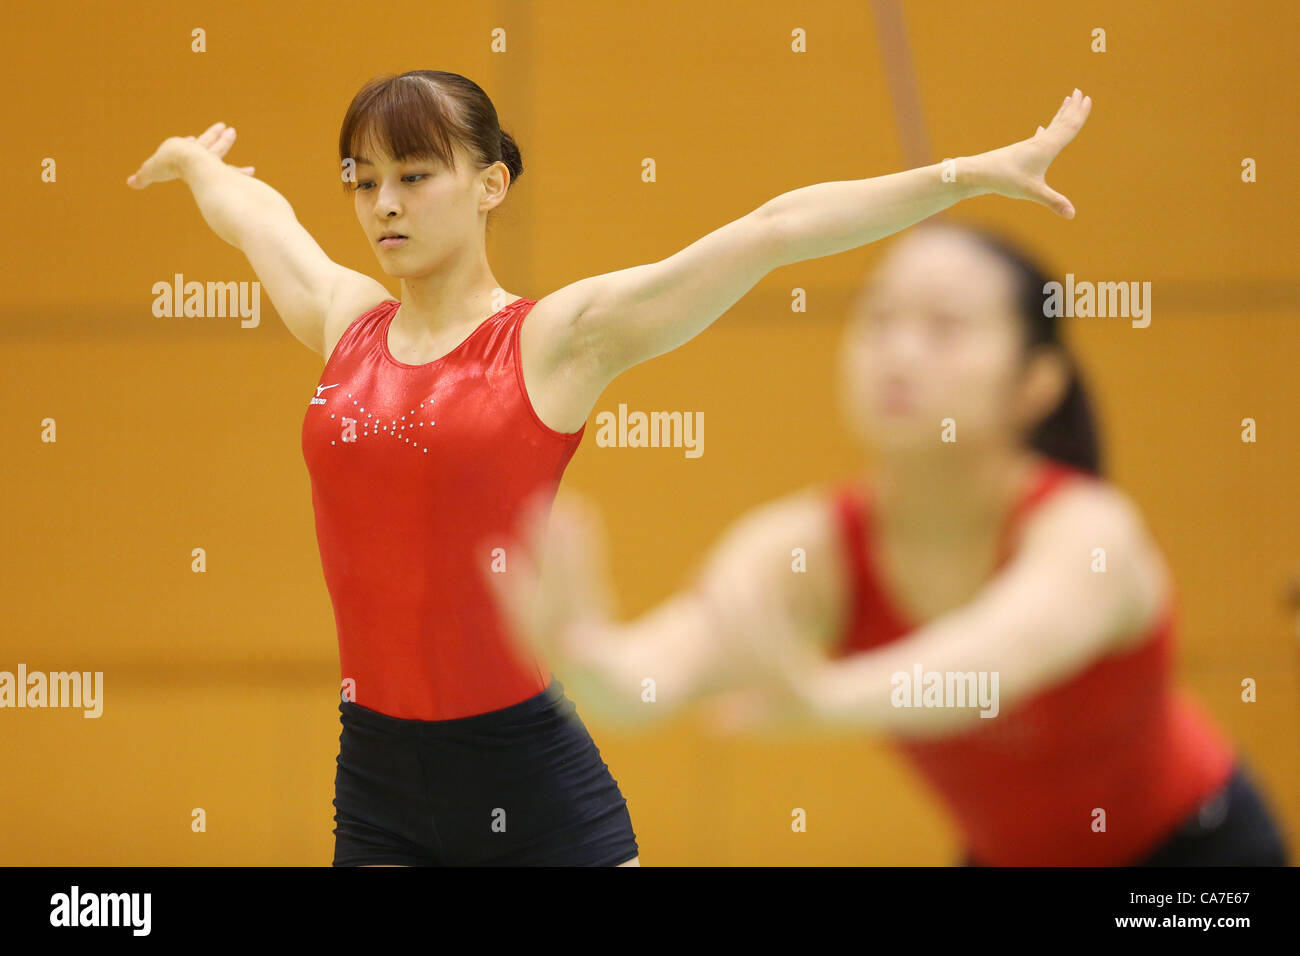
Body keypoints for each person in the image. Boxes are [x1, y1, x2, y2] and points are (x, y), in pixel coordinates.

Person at [126, 70, 1094, 866]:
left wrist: (968, 174)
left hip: (526, 773)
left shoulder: (557, 341)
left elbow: (771, 230)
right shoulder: (344, 325)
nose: (382, 202)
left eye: (414, 174)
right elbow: (256, 216)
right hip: (376, 777)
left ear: (490, 184)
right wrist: (193, 164)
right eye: (361, 177)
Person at [489, 221, 1291, 866]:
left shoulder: (1090, 535)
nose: (899, 352)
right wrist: (587, 660)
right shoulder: (806, 549)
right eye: (878, 320)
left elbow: (990, 662)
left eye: (944, 328)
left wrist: (828, 698)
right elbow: (650, 679)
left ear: (1036, 382)